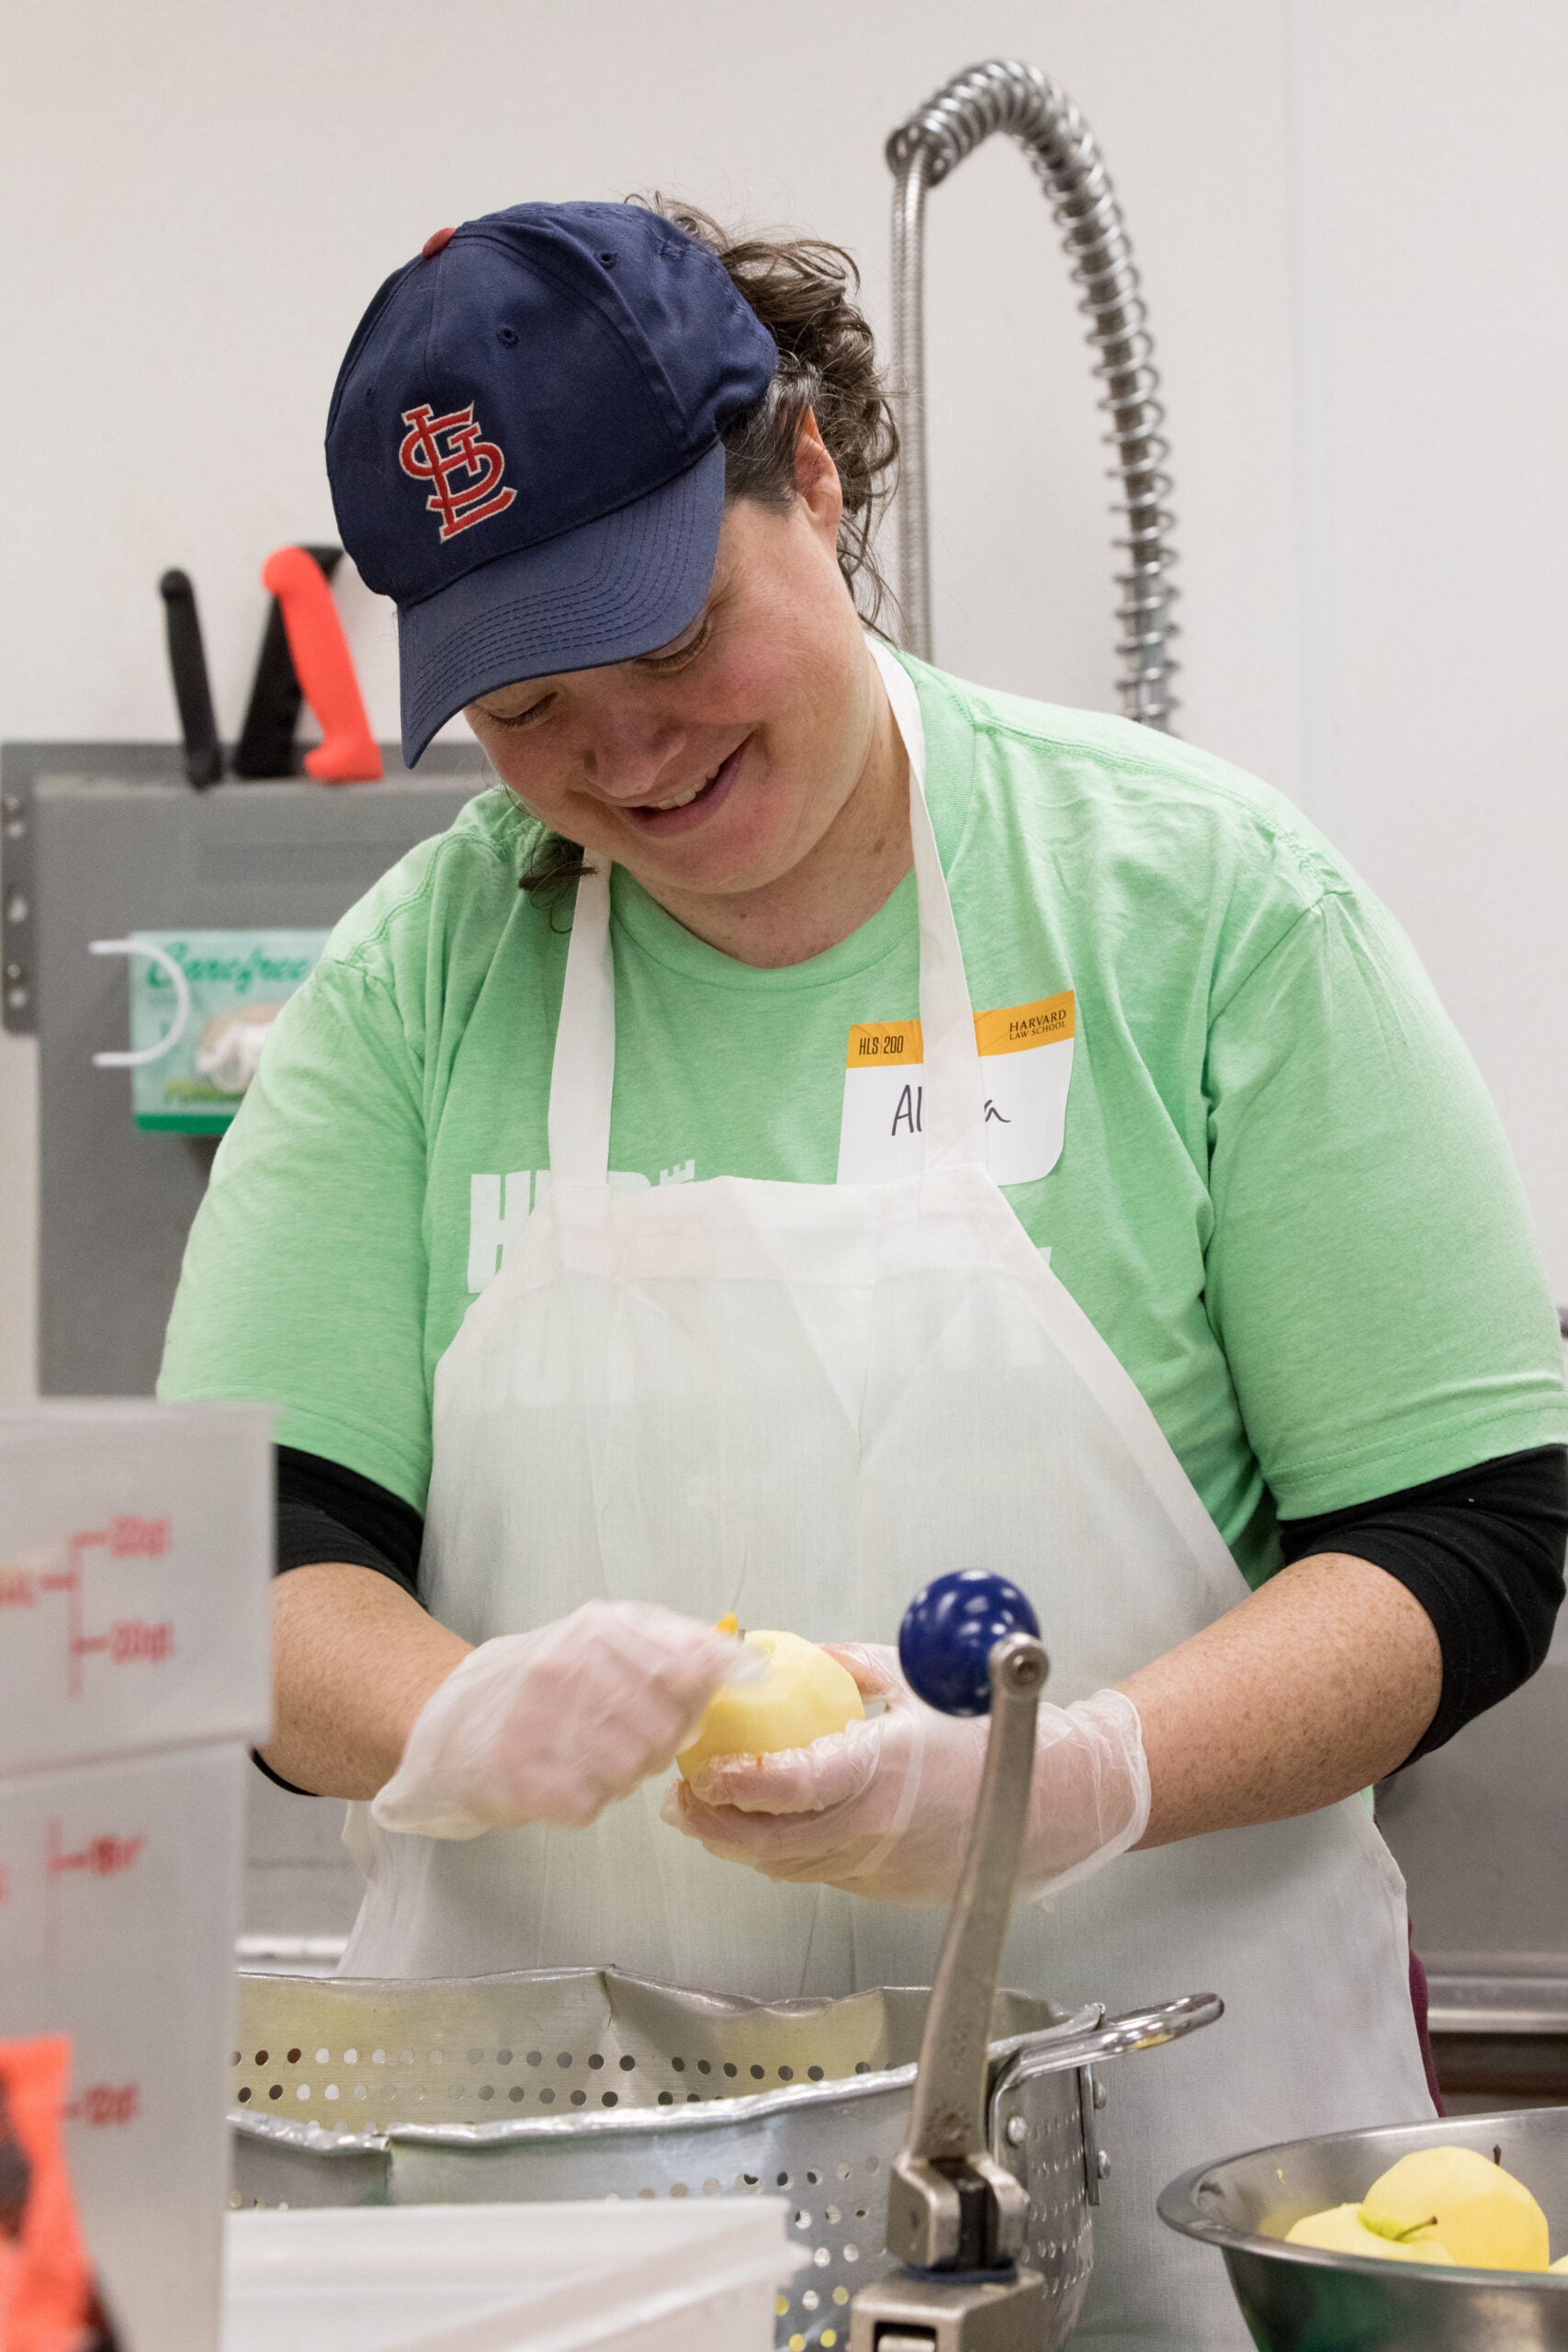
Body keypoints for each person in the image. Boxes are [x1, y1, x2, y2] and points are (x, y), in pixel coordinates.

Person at [159, 198, 1566, 2347]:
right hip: (570, 2247)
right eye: (531, 701)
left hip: (1163, 2219)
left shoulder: (1202, 906)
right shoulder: (419, 986)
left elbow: (1465, 1536)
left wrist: (1077, 1768)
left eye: (663, 638)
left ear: (805, 476)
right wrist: (445, 1712)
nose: (621, 751)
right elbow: (254, 1565)